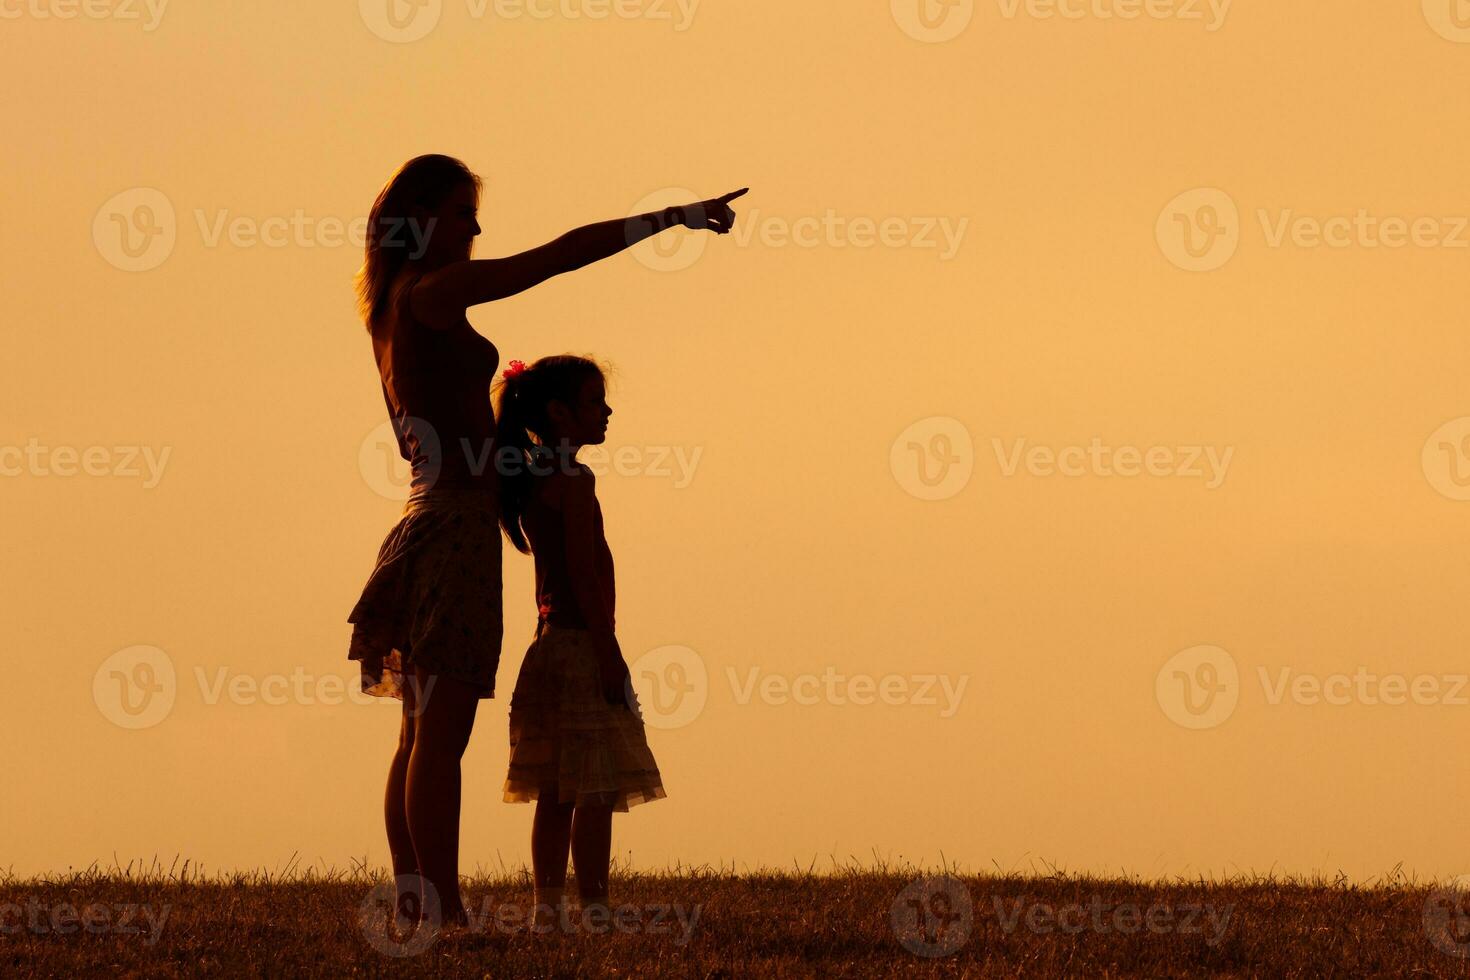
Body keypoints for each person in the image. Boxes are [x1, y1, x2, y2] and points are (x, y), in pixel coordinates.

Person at [345, 153, 745, 927]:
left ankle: (415, 896)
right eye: (464, 213)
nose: (476, 228)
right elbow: (556, 258)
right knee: (442, 733)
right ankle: (443, 909)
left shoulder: (387, 307)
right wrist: (671, 217)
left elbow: (418, 433)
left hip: (421, 516)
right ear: (421, 219)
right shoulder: (433, 293)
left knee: (417, 730)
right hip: (453, 527)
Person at [493, 355, 666, 931]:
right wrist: (609, 651)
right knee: (595, 786)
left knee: (555, 788)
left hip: (545, 646)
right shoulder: (574, 481)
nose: (607, 411)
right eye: (595, 402)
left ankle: (547, 908)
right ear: (559, 413)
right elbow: (583, 574)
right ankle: (593, 906)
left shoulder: (537, 481)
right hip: (580, 644)